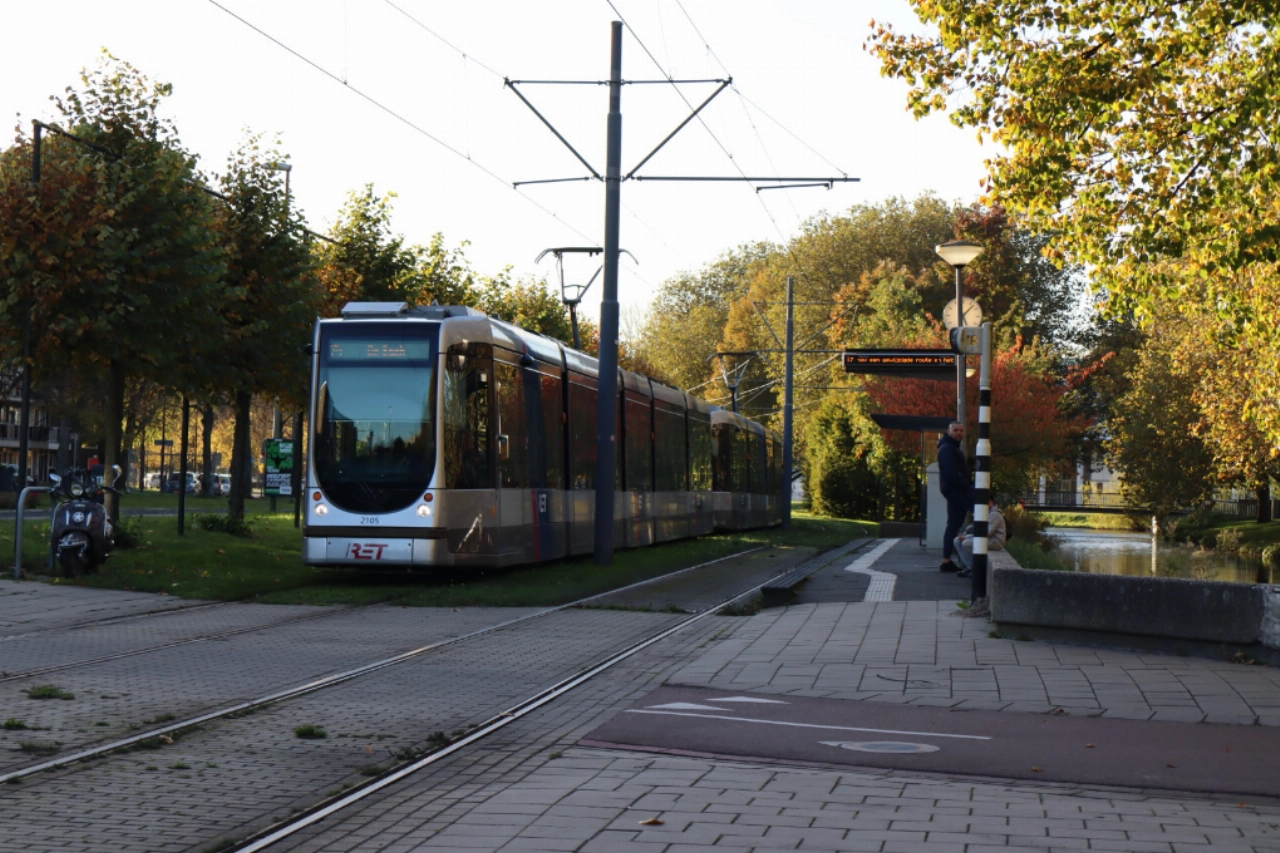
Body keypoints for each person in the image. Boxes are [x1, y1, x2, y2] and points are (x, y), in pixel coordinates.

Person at [937, 421, 972, 572]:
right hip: (956, 490)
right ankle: (948, 560)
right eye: (955, 430)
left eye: (961, 431)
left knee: (954, 523)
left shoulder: (951, 447)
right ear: (949, 431)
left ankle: (947, 560)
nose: (959, 433)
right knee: (955, 523)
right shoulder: (947, 448)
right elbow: (950, 472)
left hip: (955, 489)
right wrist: (966, 485)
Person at [954, 498, 1007, 578]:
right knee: (957, 541)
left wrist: (967, 537)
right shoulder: (985, 513)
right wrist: (965, 535)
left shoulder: (995, 514)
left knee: (966, 543)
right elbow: (978, 530)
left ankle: (974, 568)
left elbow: (987, 533)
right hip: (986, 539)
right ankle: (969, 566)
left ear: (991, 503)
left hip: (995, 542)